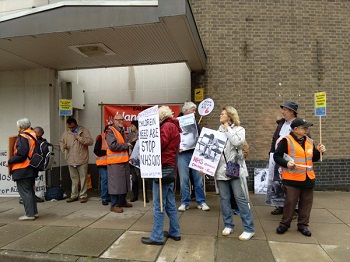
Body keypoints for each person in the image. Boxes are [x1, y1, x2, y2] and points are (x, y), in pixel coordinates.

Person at [274, 118, 326, 237]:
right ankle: (284, 224)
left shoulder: (309, 141)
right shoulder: (286, 141)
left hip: (308, 178)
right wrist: (286, 163)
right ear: (296, 129)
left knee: (306, 204)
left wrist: (319, 152)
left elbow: (313, 158)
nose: (307, 130)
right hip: (292, 178)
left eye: (307, 128)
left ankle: (303, 225)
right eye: (305, 128)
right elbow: (277, 156)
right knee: (290, 203)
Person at [141, 106, 181, 245]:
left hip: (162, 169)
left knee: (159, 205)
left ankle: (157, 236)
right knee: (169, 203)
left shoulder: (167, 126)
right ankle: (175, 231)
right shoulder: (173, 126)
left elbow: (159, 144)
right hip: (169, 168)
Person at [215, 106, 255, 240]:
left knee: (240, 199)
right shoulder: (217, 132)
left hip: (235, 169)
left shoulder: (239, 130)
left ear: (230, 116)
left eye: (223, 114)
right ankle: (228, 224)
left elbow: (237, 142)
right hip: (220, 170)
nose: (220, 115)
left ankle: (249, 228)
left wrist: (227, 128)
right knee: (224, 199)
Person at [177, 102, 210, 212]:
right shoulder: (177, 122)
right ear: (185, 111)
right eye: (193, 110)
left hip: (195, 153)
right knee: (184, 179)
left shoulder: (195, 122)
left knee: (198, 179)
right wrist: (177, 147)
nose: (195, 112)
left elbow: (200, 137)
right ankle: (185, 202)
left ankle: (201, 201)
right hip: (182, 154)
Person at [5, 118, 39, 220]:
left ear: (21, 127)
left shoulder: (23, 137)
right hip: (31, 167)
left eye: (17, 126)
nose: (17, 127)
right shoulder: (32, 135)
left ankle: (29, 214)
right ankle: (34, 212)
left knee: (25, 192)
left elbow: (22, 154)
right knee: (30, 191)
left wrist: (10, 161)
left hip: (22, 167)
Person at [269, 101, 298, 215]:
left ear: (291, 111)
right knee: (279, 182)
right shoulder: (281, 124)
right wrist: (271, 152)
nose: (282, 111)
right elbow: (274, 139)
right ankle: (280, 206)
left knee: (291, 185)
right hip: (278, 158)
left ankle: (294, 209)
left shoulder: (298, 125)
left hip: (291, 159)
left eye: (285, 109)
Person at [60, 118, 93, 203]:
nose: (71, 129)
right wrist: (62, 146)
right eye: (70, 127)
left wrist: (80, 138)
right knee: (74, 178)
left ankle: (83, 195)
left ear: (76, 124)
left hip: (82, 158)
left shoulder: (83, 131)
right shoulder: (66, 133)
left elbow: (90, 141)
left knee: (83, 178)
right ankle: (74, 195)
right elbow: (61, 142)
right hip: (71, 158)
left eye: (73, 127)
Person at [106, 114, 133, 213]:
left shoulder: (121, 131)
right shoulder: (110, 131)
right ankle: (114, 205)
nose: (121, 121)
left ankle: (122, 201)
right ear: (114, 120)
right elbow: (113, 146)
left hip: (123, 161)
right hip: (115, 163)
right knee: (116, 185)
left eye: (122, 119)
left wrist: (129, 142)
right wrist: (126, 145)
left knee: (123, 183)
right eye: (119, 120)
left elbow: (120, 143)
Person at [128, 120, 149, 203]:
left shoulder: (143, 134)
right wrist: (131, 142)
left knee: (144, 178)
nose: (131, 127)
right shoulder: (130, 135)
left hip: (142, 159)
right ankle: (135, 195)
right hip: (133, 159)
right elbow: (127, 144)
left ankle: (145, 196)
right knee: (134, 179)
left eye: (132, 126)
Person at [94, 125, 111, 206]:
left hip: (111, 163)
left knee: (109, 180)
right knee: (104, 179)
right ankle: (104, 197)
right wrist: (107, 152)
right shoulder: (101, 137)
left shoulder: (112, 138)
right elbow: (96, 151)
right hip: (102, 163)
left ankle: (108, 197)